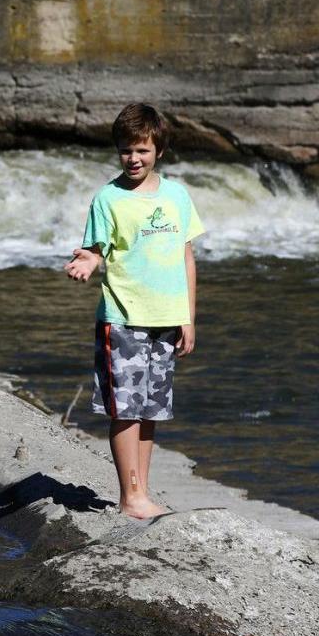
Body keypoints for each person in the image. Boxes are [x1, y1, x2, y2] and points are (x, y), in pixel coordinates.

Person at [63, 103, 205, 520]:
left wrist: (188, 316)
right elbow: (94, 249)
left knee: (150, 409)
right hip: (123, 318)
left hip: (166, 317)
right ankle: (130, 496)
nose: (133, 158)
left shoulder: (177, 195)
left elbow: (186, 257)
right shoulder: (108, 198)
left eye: (141, 150)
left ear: (158, 149)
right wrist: (88, 262)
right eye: (126, 150)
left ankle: (141, 491)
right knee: (125, 408)